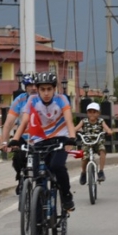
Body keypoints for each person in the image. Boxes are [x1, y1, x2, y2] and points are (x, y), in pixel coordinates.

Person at [11, 72, 78, 211]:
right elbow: (24, 121)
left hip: (60, 138)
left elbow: (69, 120)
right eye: (42, 89)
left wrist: (71, 138)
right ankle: (39, 218)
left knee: (56, 166)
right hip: (40, 139)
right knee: (37, 175)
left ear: (54, 89)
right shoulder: (33, 100)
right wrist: (15, 139)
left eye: (49, 89)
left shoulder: (62, 99)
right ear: (38, 90)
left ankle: (66, 196)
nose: (46, 93)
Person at [1, 73, 37, 192]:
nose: (33, 88)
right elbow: (8, 123)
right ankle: (21, 178)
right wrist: (4, 142)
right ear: (25, 87)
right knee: (18, 157)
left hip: (41, 136)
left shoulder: (44, 98)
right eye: (30, 85)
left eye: (35, 85)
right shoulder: (20, 99)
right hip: (23, 136)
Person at [75, 102, 113, 184]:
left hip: (98, 142)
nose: (92, 114)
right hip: (86, 143)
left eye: (94, 112)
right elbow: (76, 128)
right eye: (90, 112)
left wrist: (109, 131)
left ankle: (101, 171)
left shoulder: (101, 121)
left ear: (98, 113)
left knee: (102, 150)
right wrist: (74, 131)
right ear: (87, 113)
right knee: (84, 157)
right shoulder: (83, 121)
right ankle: (83, 173)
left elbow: (108, 129)